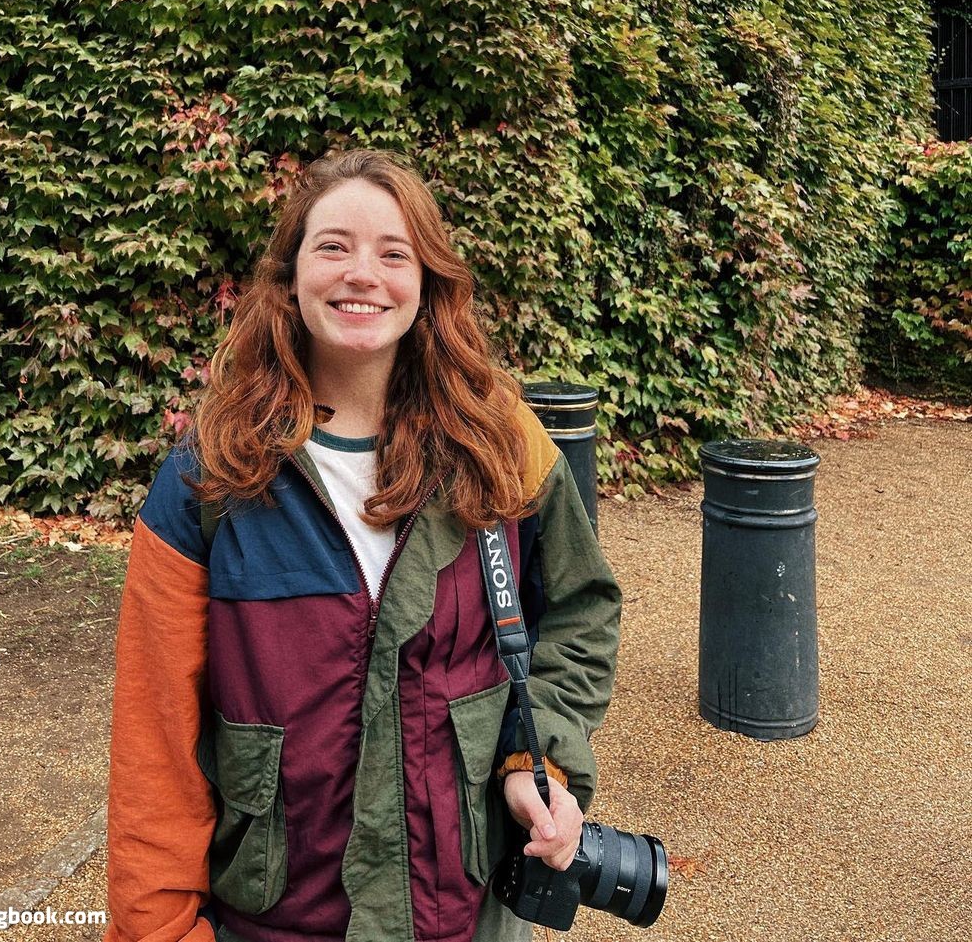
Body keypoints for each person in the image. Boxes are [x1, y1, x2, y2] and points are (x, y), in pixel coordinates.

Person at [106, 148, 621, 942]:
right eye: (333, 246)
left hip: (467, 919)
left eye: (393, 253)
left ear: (427, 280)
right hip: (277, 926)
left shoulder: (501, 442)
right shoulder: (209, 475)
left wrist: (537, 756)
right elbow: (155, 747)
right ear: (290, 273)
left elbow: (581, 613)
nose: (362, 274)